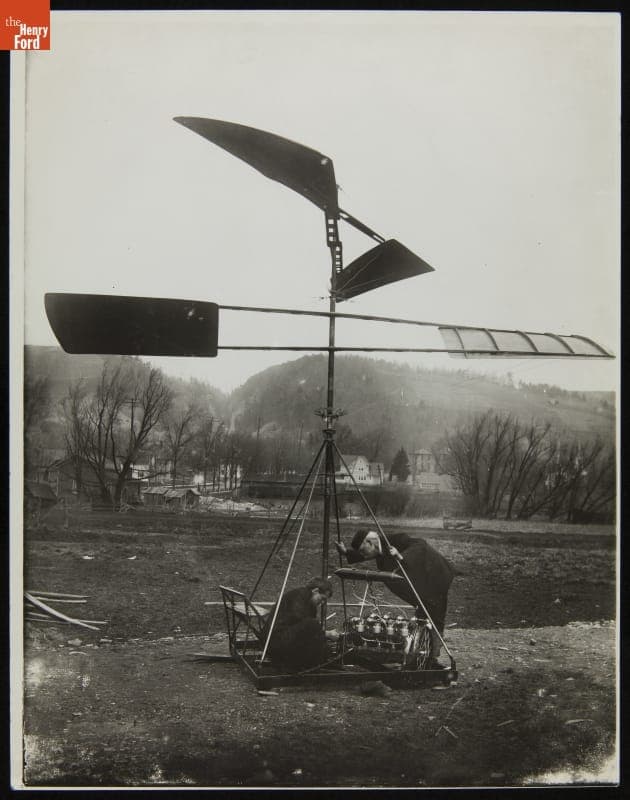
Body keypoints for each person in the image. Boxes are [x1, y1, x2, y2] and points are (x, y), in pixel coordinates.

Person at [336, 529, 456, 667]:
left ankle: (432, 658)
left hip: (435, 575)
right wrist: (346, 553)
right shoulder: (376, 547)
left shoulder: (397, 540)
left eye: (363, 550)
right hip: (419, 580)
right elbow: (366, 554)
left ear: (370, 542)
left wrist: (401, 556)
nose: (363, 555)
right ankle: (422, 652)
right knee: (423, 615)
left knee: (434, 615)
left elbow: (421, 544)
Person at [260, 577, 337, 672]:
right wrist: (327, 634)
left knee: (321, 643)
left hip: (282, 637)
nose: (322, 602)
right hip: (275, 640)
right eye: (322, 598)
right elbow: (304, 623)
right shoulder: (299, 596)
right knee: (313, 624)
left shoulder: (308, 601)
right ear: (315, 591)